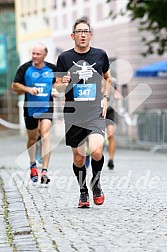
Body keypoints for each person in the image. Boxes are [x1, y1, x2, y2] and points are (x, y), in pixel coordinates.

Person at [55, 17, 112, 208]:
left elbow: (107, 78)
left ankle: (96, 183)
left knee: (96, 150)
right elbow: (58, 87)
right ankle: (83, 191)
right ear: (73, 36)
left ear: (90, 35)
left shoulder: (100, 55)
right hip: (73, 113)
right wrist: (63, 83)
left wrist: (105, 98)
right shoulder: (64, 58)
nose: (82, 34)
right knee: (79, 158)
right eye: (79, 31)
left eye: (85, 31)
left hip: (95, 111)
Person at [11, 42, 56, 184]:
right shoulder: (25, 68)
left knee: (45, 135)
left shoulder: (52, 69)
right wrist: (28, 89)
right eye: (33, 53)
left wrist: (56, 90)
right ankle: (32, 165)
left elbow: (60, 83)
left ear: (45, 55)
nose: (35, 56)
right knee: (32, 138)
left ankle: (45, 171)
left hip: (46, 107)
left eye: (38, 54)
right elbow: (14, 86)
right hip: (30, 108)